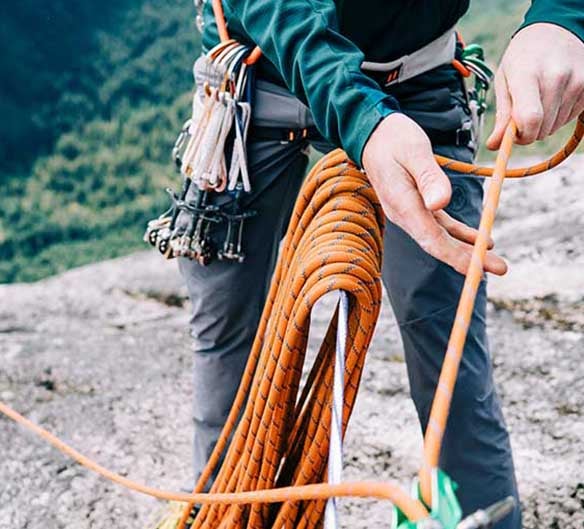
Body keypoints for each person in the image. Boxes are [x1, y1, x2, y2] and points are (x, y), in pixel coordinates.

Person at [177, 1, 584, 527]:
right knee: (228, 332)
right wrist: (364, 119)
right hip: (262, 67)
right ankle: (220, 513)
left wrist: (563, 17)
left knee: (447, 336)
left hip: (411, 76)